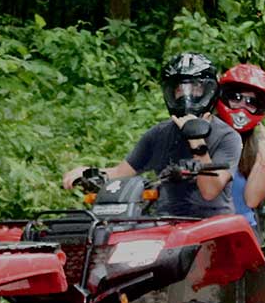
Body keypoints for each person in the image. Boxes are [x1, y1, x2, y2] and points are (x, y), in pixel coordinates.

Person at [62, 53, 242, 218]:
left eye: (195, 88)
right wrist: (87, 172)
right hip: (166, 222)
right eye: (179, 89)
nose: (186, 96)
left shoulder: (227, 137)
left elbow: (210, 191)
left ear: (208, 91)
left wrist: (196, 141)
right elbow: (120, 173)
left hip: (214, 225)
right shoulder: (158, 135)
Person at [214, 63, 265, 239]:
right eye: (236, 97)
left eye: (251, 102)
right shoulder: (203, 134)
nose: (242, 106)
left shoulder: (257, 147)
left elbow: (252, 200)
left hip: (240, 235)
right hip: (200, 228)